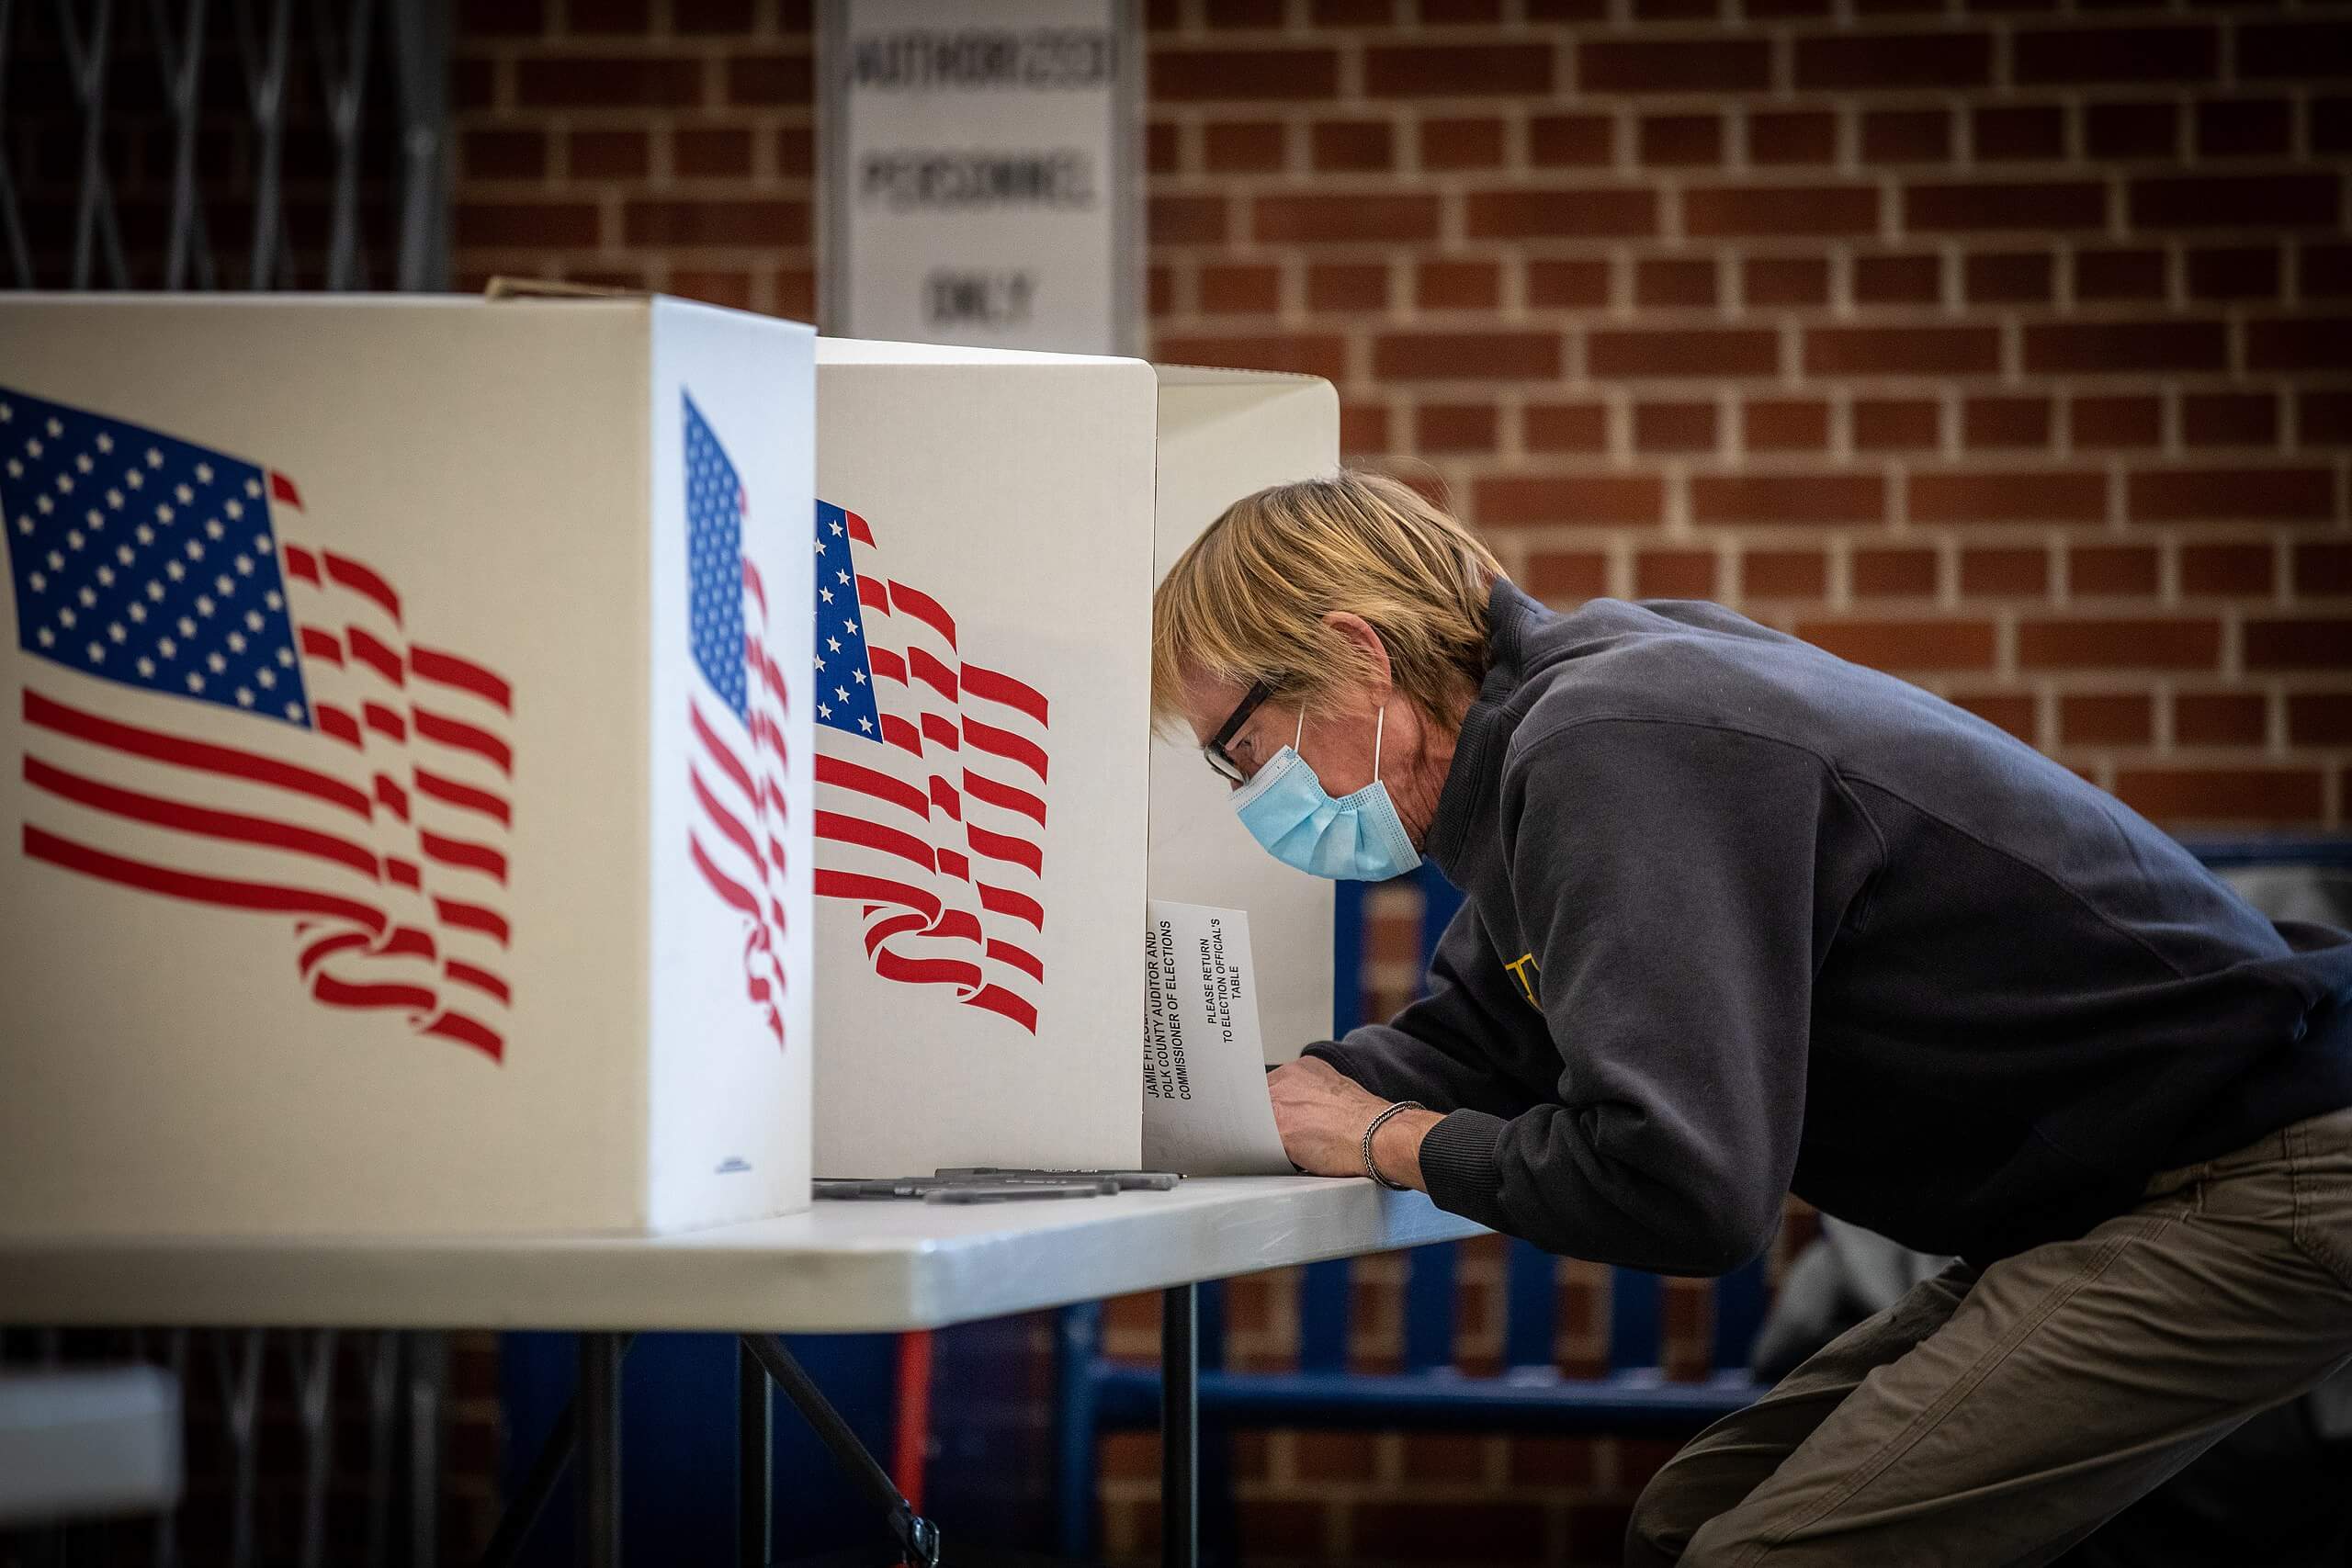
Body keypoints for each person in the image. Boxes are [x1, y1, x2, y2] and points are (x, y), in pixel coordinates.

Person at [1151, 468, 2352, 1566]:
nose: (1258, 795)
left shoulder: (1607, 748)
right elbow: (1482, 1040)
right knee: (1682, 1525)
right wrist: (1243, 1098)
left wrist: (1381, 1139)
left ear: (1357, 656)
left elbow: (1686, 1183)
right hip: (2119, 1187)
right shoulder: (1561, 726)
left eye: (1246, 749)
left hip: (2260, 1167)